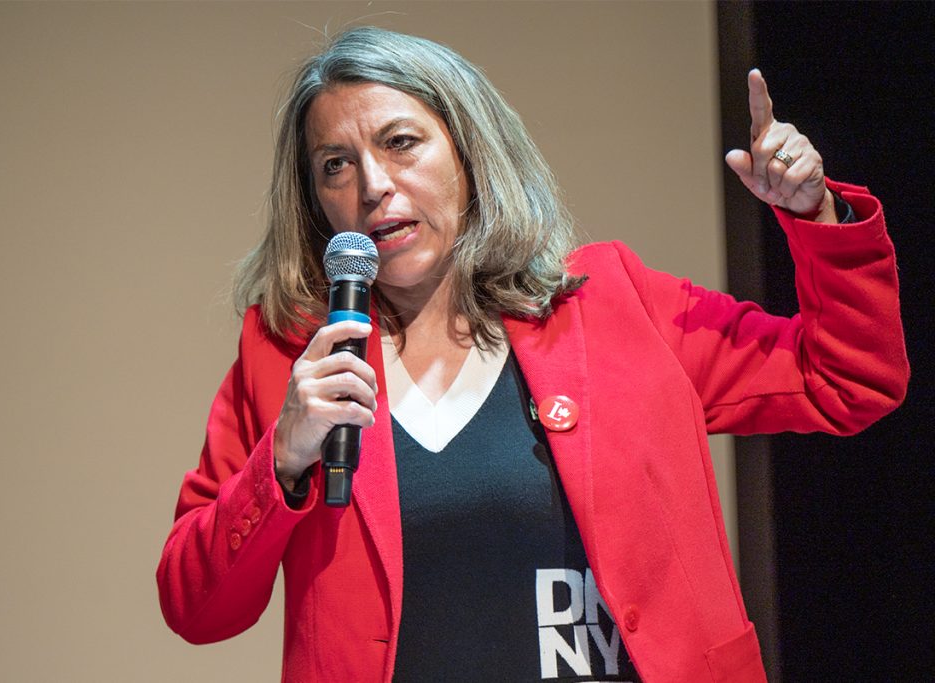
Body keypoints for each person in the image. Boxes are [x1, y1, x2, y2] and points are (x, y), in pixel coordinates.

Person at [156, 27, 908, 682]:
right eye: (335, 165)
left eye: (400, 142)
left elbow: (846, 376)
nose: (373, 186)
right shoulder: (289, 355)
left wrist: (817, 214)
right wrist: (282, 461)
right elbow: (195, 605)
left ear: (470, 151)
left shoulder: (612, 302)